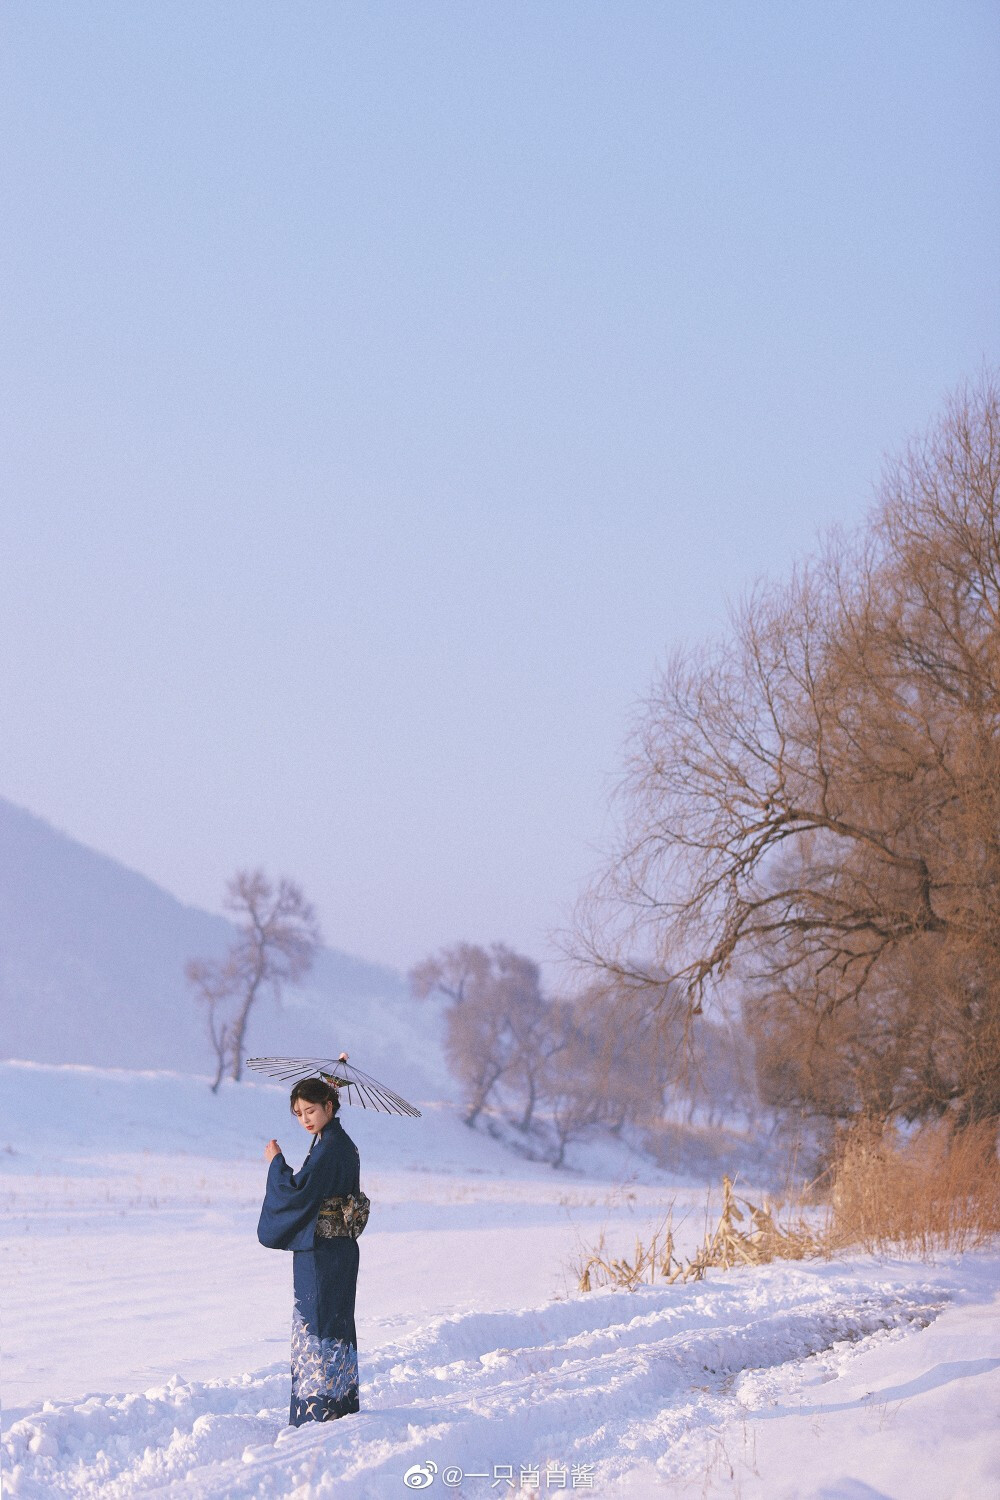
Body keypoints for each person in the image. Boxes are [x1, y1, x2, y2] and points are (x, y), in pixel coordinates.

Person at [257, 1076, 362, 1426]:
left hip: (322, 1250)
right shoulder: (334, 1143)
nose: (305, 1119)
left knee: (318, 1320)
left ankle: (318, 1410)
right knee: (333, 1320)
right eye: (299, 1112)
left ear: (329, 1107)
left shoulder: (331, 1147)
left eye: (311, 1110)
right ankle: (338, 1402)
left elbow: (299, 1191)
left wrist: (276, 1163)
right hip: (337, 1249)